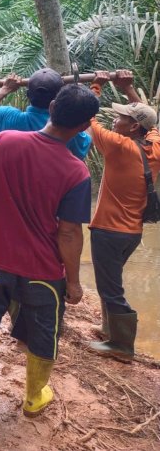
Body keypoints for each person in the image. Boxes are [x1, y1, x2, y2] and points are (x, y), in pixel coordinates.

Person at [0, 84, 99, 416]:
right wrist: (75, 283)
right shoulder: (77, 172)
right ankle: (35, 396)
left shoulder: (2, 141)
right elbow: (68, 232)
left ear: (51, 107)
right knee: (44, 330)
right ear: (84, 127)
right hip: (43, 270)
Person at [87, 70, 160, 362]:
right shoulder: (154, 146)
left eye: (121, 118)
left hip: (109, 230)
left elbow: (87, 120)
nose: (114, 120)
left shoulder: (119, 146)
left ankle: (122, 346)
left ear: (132, 128)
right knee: (110, 279)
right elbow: (151, 122)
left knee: (109, 286)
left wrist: (97, 86)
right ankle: (110, 330)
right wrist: (129, 90)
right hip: (132, 232)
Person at [0, 68, 92, 159]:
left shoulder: (10, 119)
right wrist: (84, 99)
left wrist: (5, 89)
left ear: (28, 94)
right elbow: (87, 139)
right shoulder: (68, 130)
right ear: (59, 98)